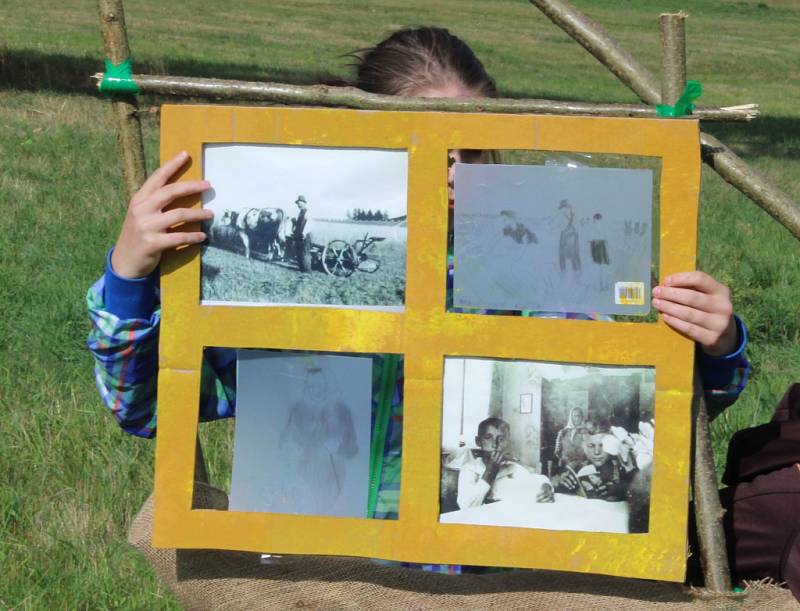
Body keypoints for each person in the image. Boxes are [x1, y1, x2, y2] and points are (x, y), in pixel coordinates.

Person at [88, 26, 749, 574]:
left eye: (475, 151)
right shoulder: (290, 285)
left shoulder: (537, 273)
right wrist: (128, 273)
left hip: (496, 578)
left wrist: (712, 346)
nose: (459, 173)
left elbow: (663, 410)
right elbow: (142, 406)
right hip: (326, 572)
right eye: (437, 150)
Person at [457, 417, 553, 509]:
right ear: (478, 441)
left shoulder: (511, 467)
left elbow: (535, 480)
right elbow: (466, 505)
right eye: (488, 438)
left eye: (501, 439)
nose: (495, 444)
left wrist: (545, 486)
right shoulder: (470, 468)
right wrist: (490, 472)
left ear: (507, 443)